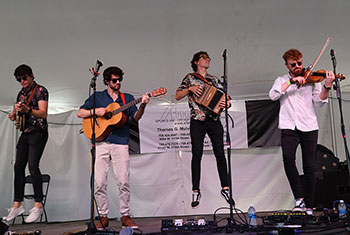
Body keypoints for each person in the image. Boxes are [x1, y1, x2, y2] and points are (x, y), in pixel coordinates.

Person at [77, 66, 149, 230]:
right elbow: (80, 113)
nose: (118, 83)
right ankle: (103, 216)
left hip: (120, 142)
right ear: (107, 81)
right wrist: (98, 111)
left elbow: (135, 118)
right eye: (114, 80)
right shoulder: (98, 96)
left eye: (119, 80)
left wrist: (143, 105)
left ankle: (125, 215)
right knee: (99, 182)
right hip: (101, 143)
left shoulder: (127, 98)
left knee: (123, 180)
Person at [269, 49, 335, 215]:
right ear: (287, 65)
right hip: (289, 126)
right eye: (294, 64)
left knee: (309, 166)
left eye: (299, 63)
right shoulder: (281, 80)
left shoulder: (312, 79)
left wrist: (326, 86)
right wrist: (291, 82)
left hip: (309, 126)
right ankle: (299, 199)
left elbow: (319, 102)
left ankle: (309, 205)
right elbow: (273, 95)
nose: (298, 66)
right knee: (288, 159)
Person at [175, 51, 234, 208]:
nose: (208, 60)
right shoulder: (190, 78)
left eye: (208, 58)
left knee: (220, 154)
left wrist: (226, 103)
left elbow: (225, 97)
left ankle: (225, 188)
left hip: (214, 120)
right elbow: (177, 95)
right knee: (197, 155)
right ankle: (195, 190)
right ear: (196, 62)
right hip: (197, 120)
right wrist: (190, 89)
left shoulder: (213, 79)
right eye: (204, 58)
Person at [3, 64, 49, 223]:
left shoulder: (41, 90)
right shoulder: (21, 93)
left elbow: (43, 113)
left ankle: (38, 205)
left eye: (24, 78)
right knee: (18, 166)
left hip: (39, 131)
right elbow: (18, 112)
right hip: (26, 132)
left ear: (31, 75)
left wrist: (27, 110)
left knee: (33, 166)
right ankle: (17, 204)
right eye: (19, 80)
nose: (22, 81)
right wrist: (14, 114)